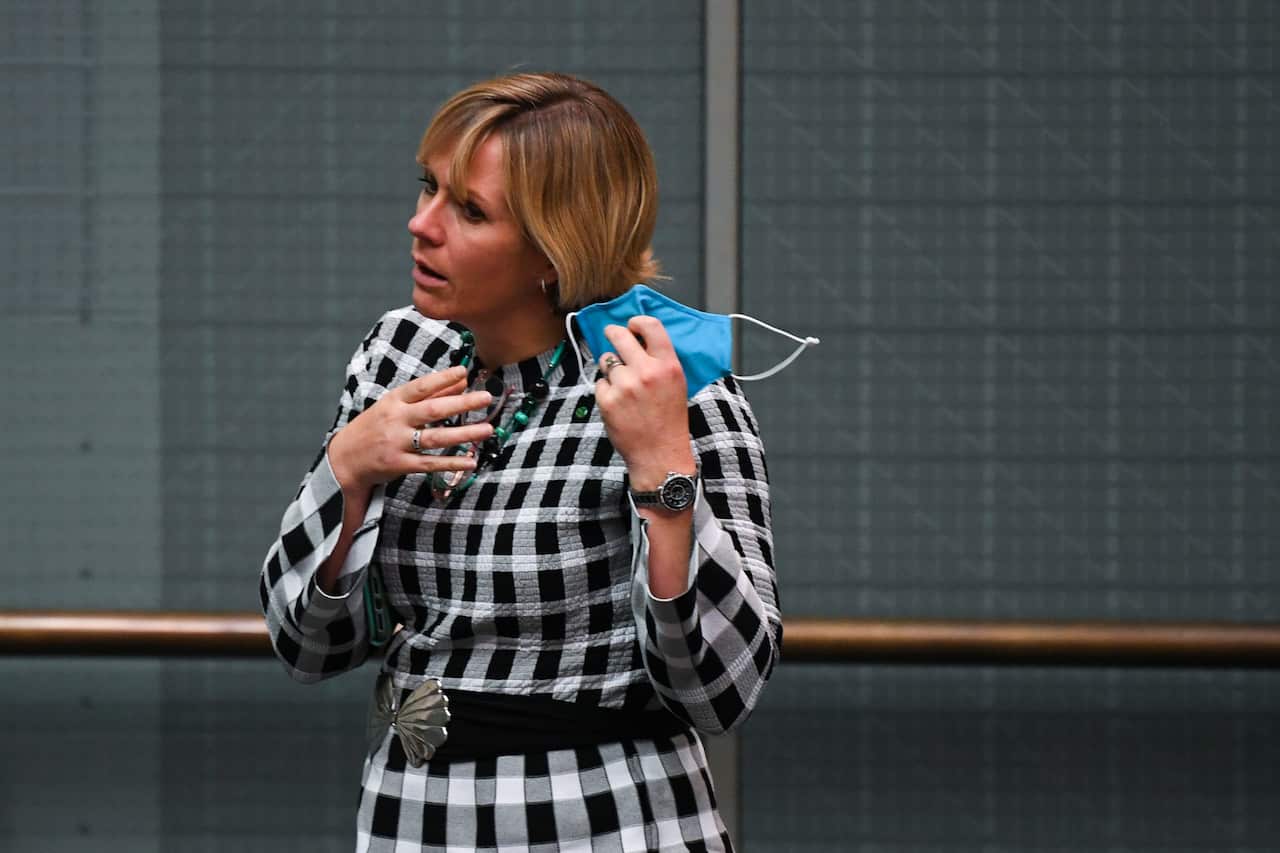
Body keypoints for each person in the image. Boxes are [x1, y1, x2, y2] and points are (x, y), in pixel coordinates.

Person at [259, 71, 780, 852]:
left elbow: (719, 693)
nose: (419, 224)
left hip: (605, 821)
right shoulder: (397, 352)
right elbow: (307, 645)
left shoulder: (668, 384)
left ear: (553, 246)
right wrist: (347, 465)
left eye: (468, 210)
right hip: (409, 816)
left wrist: (664, 469)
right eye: (426, 187)